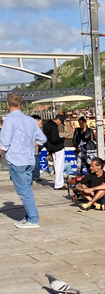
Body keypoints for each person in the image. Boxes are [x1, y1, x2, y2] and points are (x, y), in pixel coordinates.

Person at [0, 94, 47, 228]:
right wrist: (31, 144)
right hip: (29, 159)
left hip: (17, 159)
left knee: (23, 191)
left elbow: (4, 142)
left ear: (8, 105)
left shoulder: (9, 120)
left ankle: (33, 219)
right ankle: (28, 217)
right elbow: (42, 139)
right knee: (28, 189)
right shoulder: (30, 120)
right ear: (22, 105)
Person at [43, 114, 67, 190]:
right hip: (57, 148)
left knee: (56, 166)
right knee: (59, 166)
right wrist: (62, 139)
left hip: (50, 148)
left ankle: (58, 183)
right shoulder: (53, 127)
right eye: (60, 122)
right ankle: (59, 184)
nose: (60, 124)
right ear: (58, 119)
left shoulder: (46, 125)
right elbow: (54, 139)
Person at [31, 114, 43, 181]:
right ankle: (35, 176)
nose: (41, 126)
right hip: (32, 150)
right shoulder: (32, 130)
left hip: (36, 150)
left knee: (36, 163)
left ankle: (36, 175)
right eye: (40, 124)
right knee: (34, 163)